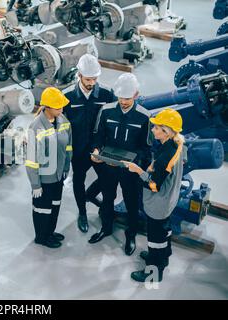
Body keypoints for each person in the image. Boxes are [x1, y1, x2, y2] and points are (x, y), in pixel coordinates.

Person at [89, 73, 152, 256]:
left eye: (127, 98)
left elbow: (146, 148)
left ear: (136, 94)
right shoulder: (107, 110)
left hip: (129, 169)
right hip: (108, 165)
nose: (123, 101)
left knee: (132, 203)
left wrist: (134, 163)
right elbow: (98, 136)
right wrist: (96, 151)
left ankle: (130, 235)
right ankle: (106, 228)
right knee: (107, 198)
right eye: (120, 97)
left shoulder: (144, 117)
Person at [122, 108, 185, 282]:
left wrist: (138, 171)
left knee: (155, 238)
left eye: (157, 127)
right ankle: (163, 258)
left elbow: (154, 185)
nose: (153, 130)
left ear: (166, 131)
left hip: (158, 205)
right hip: (168, 201)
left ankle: (154, 272)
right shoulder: (176, 144)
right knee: (164, 232)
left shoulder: (166, 155)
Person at [63, 54, 116, 233]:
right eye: (88, 79)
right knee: (79, 180)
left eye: (95, 78)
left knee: (107, 181)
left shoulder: (107, 95)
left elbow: (111, 122)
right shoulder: (68, 97)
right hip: (78, 151)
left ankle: (101, 206)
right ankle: (82, 213)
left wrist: (100, 147)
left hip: (99, 149)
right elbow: (63, 125)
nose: (92, 82)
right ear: (79, 75)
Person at [25, 87, 73, 248]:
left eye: (62, 106)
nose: (61, 109)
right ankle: (41, 237)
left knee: (54, 205)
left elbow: (68, 147)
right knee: (42, 209)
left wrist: (66, 167)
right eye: (58, 107)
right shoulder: (36, 127)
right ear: (47, 107)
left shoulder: (64, 121)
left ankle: (50, 233)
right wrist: (35, 184)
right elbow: (31, 160)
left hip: (58, 175)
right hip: (44, 178)